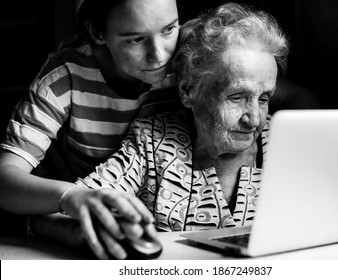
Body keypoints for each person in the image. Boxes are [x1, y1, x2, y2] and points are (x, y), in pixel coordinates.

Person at [74, 1, 288, 236]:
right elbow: (71, 209)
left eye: (264, 98)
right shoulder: (151, 144)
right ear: (188, 91)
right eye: (236, 97)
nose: (255, 119)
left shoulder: (286, 144)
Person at [0, 0, 180, 259]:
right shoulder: (64, 78)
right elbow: (5, 179)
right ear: (97, 33)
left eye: (169, 29)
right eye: (136, 39)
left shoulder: (190, 64)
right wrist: (70, 196)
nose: (160, 55)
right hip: (74, 225)